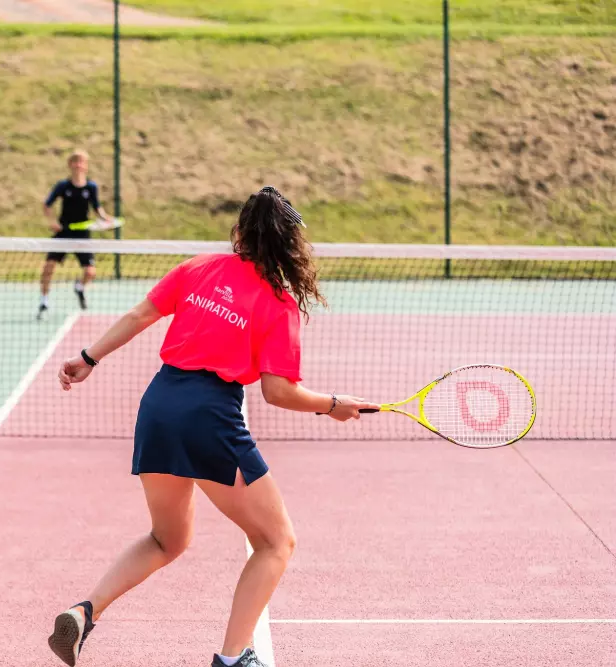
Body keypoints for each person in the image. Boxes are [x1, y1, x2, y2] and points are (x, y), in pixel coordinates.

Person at [47, 187, 379, 667]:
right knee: (276, 542)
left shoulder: (198, 267)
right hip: (209, 416)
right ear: (289, 244)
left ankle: (85, 611)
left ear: (240, 230)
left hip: (158, 406)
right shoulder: (278, 303)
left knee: (166, 539)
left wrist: (88, 358)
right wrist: (332, 405)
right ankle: (232, 658)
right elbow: (278, 392)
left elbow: (141, 315)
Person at [39, 150, 112, 320]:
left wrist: (106, 219)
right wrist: (52, 222)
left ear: (85, 166)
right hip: (63, 233)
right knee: (48, 268)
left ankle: (79, 287)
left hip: (82, 235)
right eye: (75, 161)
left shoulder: (91, 187)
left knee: (90, 272)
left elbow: (97, 208)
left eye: (81, 162)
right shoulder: (63, 186)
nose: (78, 165)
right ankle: (44, 301)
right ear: (70, 165)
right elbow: (47, 205)